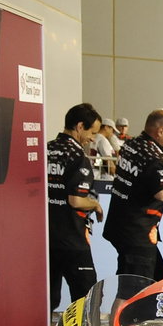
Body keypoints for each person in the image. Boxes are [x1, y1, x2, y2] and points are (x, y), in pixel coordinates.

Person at [102, 108, 163, 320]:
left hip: (121, 225)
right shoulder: (153, 158)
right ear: (161, 131)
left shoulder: (132, 145)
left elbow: (143, 171)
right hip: (137, 231)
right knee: (130, 289)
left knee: (158, 281)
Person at [46, 102, 105, 309]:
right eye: (92, 132)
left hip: (45, 240)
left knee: (48, 299)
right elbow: (76, 200)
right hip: (72, 238)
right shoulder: (78, 156)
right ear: (80, 126)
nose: (93, 138)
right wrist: (95, 204)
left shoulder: (46, 149)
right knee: (87, 299)